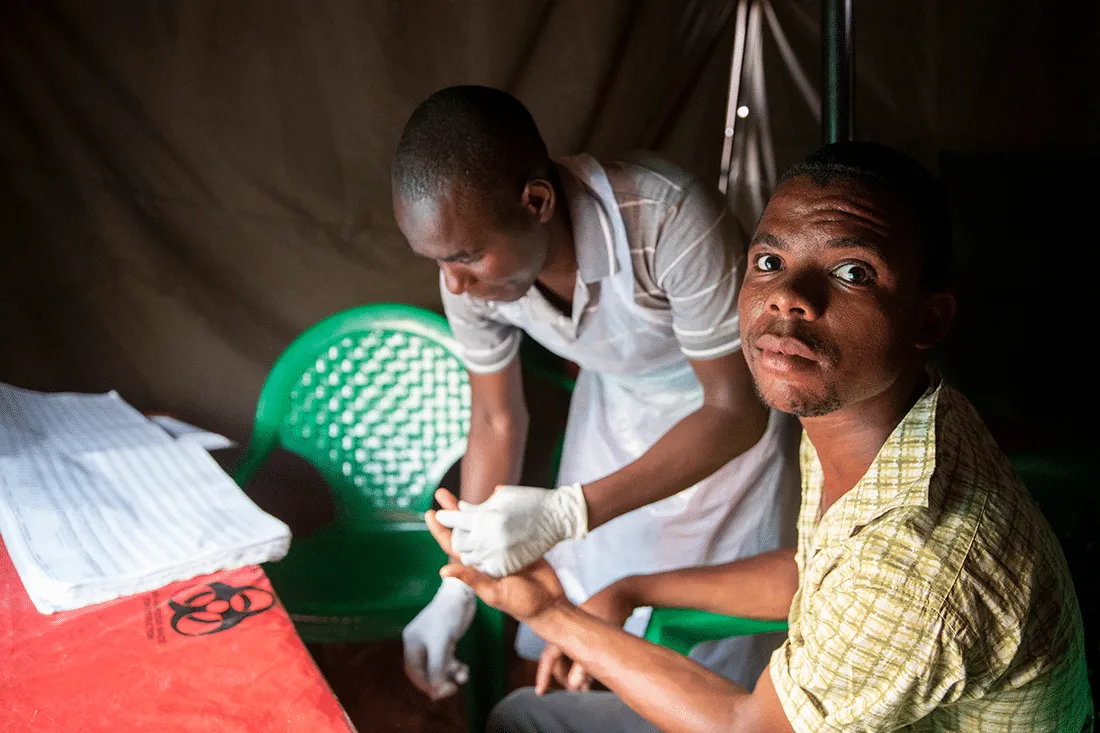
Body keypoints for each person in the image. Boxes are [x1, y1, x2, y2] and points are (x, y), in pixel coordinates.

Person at [428, 141, 1095, 732]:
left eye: (853, 271)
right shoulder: (889, 422)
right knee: (523, 715)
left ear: (929, 319)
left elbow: (750, 727)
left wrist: (547, 609)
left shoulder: (918, 561)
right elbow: (815, 572)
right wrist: (637, 586)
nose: (787, 297)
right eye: (770, 260)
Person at [392, 85, 801, 701]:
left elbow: (736, 409)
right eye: (439, 261)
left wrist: (569, 512)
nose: (453, 283)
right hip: (611, 418)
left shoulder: (667, 218)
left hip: (719, 440)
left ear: (536, 202)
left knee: (692, 656)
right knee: (588, 631)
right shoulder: (468, 272)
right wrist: (458, 585)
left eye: (467, 257)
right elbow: (496, 419)